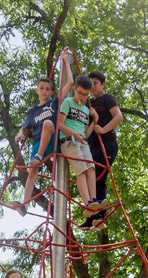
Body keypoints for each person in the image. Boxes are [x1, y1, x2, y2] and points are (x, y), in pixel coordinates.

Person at [7, 77, 58, 216]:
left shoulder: (54, 103)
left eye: (47, 89)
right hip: (38, 141)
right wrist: (19, 135)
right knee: (32, 173)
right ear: (36, 90)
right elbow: (25, 127)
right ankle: (24, 206)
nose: (44, 91)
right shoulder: (33, 111)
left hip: (52, 137)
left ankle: (40, 155)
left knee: (48, 124)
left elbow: (68, 87)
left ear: (52, 92)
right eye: (41, 88)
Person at [82, 70, 122, 230]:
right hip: (93, 146)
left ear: (103, 84)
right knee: (87, 177)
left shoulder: (107, 99)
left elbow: (118, 117)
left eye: (96, 83)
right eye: (90, 84)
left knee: (99, 175)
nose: (92, 87)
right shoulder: (88, 104)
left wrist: (103, 129)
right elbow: (86, 132)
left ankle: (99, 216)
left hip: (107, 142)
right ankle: (92, 214)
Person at [58, 75, 102, 222]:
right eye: (80, 93)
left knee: (91, 168)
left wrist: (95, 120)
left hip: (82, 141)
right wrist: (73, 134)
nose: (82, 96)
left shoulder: (85, 109)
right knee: (81, 170)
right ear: (75, 89)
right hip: (69, 140)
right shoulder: (68, 102)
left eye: (86, 94)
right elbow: (59, 124)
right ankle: (87, 203)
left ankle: (93, 200)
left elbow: (87, 134)